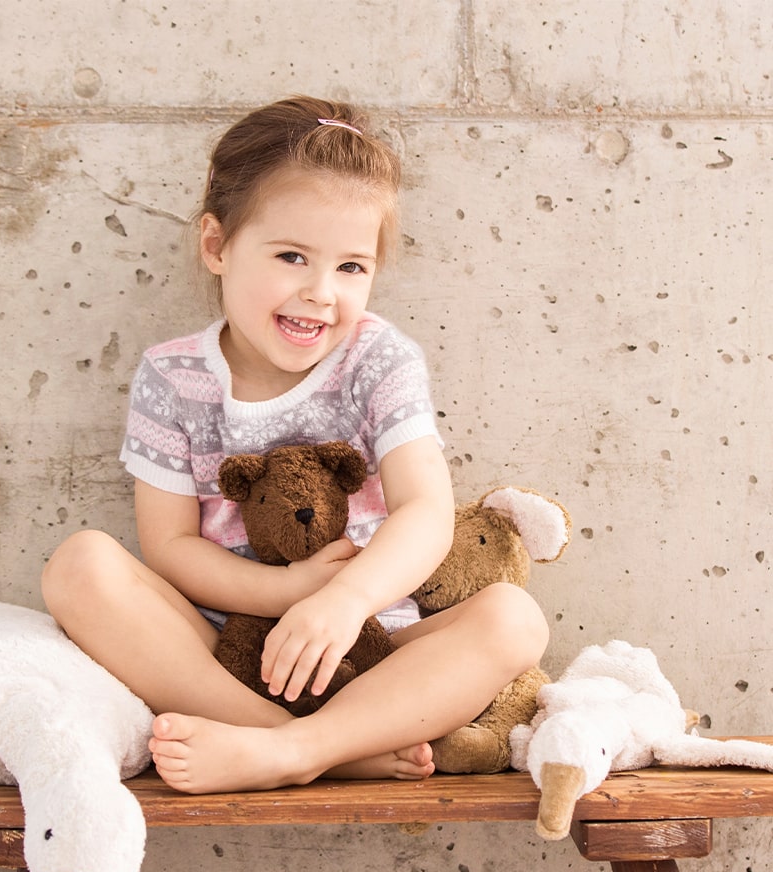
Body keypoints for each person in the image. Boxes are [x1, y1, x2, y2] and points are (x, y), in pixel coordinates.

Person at [41, 95, 549, 794]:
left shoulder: (379, 358)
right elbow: (168, 547)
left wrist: (340, 600)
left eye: (351, 267)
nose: (320, 292)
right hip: (225, 654)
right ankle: (292, 743)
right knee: (79, 566)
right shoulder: (173, 377)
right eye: (291, 256)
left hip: (366, 651)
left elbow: (425, 511)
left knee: (513, 620)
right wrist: (282, 590)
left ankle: (298, 748)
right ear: (217, 246)